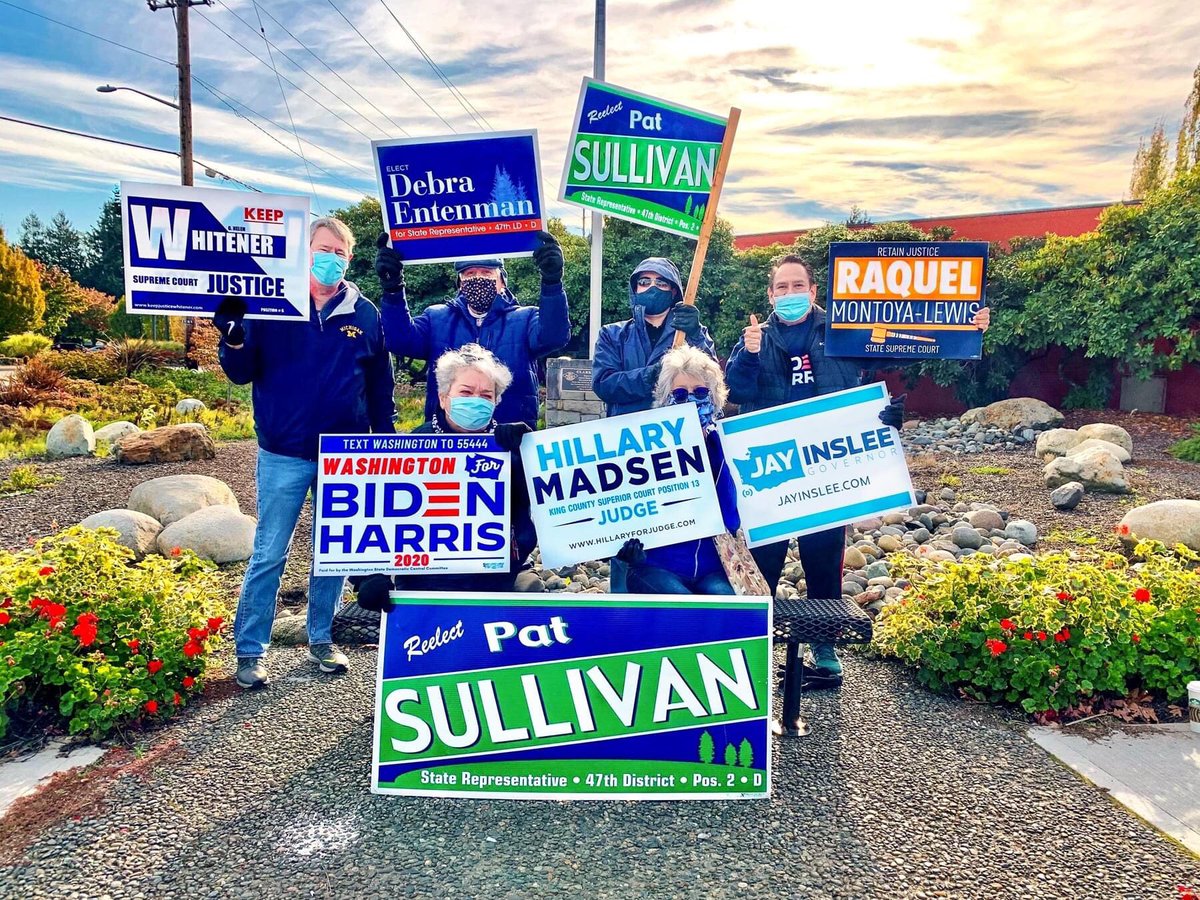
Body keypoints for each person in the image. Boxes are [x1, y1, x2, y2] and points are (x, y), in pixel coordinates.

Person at [725, 253, 989, 681]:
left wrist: (965, 328)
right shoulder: (755, 337)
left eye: (798, 286)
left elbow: (906, 345)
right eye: (781, 288)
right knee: (763, 562)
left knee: (824, 558)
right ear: (770, 295)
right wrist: (750, 354)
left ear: (814, 291)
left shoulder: (843, 330)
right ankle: (753, 653)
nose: (789, 294)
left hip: (829, 469)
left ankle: (825, 650)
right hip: (772, 471)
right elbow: (736, 390)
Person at [214, 216, 396, 690]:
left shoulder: (366, 314)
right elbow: (240, 371)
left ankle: (321, 639)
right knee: (270, 552)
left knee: (332, 553)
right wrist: (233, 336)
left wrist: (385, 443)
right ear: (304, 251)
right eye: (322, 248)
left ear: (349, 258)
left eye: (339, 251)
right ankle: (250, 651)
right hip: (284, 452)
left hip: (347, 455)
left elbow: (380, 387)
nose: (330, 258)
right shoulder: (268, 302)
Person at [354, 344, 540, 613]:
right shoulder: (410, 447)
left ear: (496, 402)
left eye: (486, 395)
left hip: (495, 577)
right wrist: (366, 576)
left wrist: (526, 456)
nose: (476, 400)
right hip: (425, 581)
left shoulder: (513, 446)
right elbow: (371, 514)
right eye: (466, 392)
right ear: (443, 398)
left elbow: (542, 508)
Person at [373, 231, 569, 428]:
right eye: (470, 274)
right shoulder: (436, 318)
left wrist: (552, 283)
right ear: (460, 284)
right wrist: (393, 290)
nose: (478, 279)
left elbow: (554, 336)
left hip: (510, 438)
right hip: (447, 440)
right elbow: (400, 341)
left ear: (502, 282)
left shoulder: (525, 318)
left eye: (486, 273)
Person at [614, 345, 739, 595]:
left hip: (713, 566)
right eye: (680, 393)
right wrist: (627, 548)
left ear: (714, 397)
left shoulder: (727, 445)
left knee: (724, 602)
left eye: (700, 391)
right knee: (683, 603)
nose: (690, 399)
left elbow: (732, 519)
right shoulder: (641, 450)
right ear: (665, 400)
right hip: (657, 565)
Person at [592, 257, 716, 417]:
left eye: (661, 283)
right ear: (635, 289)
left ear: (673, 291)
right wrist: (651, 375)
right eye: (644, 282)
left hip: (678, 430)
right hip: (628, 434)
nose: (652, 287)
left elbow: (712, 380)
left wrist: (696, 336)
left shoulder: (691, 332)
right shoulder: (612, 334)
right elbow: (604, 385)